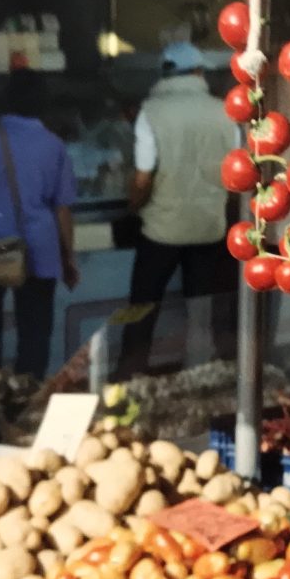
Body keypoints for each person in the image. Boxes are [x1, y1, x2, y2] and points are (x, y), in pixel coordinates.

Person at [117, 42, 237, 378]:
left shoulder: (150, 113)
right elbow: (235, 174)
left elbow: (143, 176)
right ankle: (198, 377)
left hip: (161, 230)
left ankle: (129, 376)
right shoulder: (226, 111)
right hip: (209, 228)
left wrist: (132, 206)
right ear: (199, 72)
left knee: (142, 307)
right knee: (200, 311)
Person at [0, 69, 78, 380]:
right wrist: (68, 257)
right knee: (35, 334)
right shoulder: (54, 145)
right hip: (39, 248)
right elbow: (62, 209)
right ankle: (28, 401)